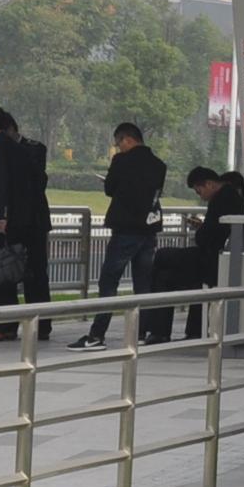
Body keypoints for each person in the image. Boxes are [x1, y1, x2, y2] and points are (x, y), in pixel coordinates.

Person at [76, 122, 168, 349]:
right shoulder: (159, 165)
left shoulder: (121, 161)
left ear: (127, 139)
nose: (118, 148)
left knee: (109, 281)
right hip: (149, 229)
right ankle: (140, 333)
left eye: (119, 143)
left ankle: (97, 335)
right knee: (143, 283)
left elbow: (110, 189)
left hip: (126, 229)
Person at [0, 104, 54, 340]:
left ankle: (1, 326)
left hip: (14, 221)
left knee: (3, 270)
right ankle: (40, 326)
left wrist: (3, 216)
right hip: (33, 220)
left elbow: (1, 185)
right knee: (35, 274)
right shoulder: (22, 151)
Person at [143, 164, 244, 345]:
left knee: (161, 257)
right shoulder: (231, 197)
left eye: (199, 191)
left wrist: (201, 230)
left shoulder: (222, 198)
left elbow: (206, 237)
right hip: (218, 258)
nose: (201, 196)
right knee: (165, 276)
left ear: (209, 184)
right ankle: (189, 331)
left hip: (212, 259)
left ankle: (158, 331)